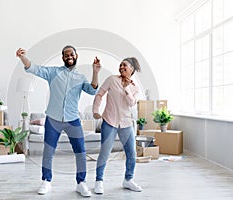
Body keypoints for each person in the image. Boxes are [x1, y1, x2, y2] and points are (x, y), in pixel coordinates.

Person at [16, 46, 101, 197]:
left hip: (73, 119)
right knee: (48, 152)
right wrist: (23, 57)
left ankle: (81, 183)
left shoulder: (80, 77)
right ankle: (46, 181)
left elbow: (93, 90)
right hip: (53, 119)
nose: (69, 56)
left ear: (76, 56)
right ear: (63, 58)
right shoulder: (53, 72)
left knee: (80, 152)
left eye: (71, 54)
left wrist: (95, 71)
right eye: (66, 55)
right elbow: (34, 68)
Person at [92, 57, 142, 194]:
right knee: (105, 152)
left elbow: (131, 103)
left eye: (124, 65)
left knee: (131, 153)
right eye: (120, 65)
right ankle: (99, 181)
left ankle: (128, 180)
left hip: (126, 123)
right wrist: (95, 111)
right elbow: (99, 94)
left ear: (131, 69)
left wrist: (126, 89)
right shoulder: (112, 79)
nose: (121, 67)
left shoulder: (135, 87)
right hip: (109, 121)